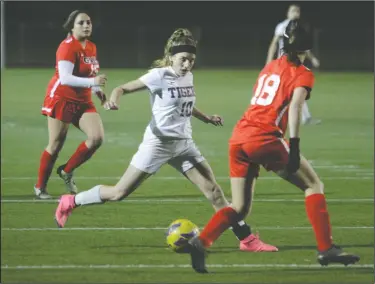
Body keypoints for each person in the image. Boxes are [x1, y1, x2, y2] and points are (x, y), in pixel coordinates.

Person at [54, 28, 277, 253]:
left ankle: (247, 240)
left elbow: (185, 103)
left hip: (184, 144)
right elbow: (122, 88)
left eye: (191, 60)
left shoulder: (188, 75)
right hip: (157, 145)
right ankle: (71, 202)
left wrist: (206, 117)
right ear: (171, 57)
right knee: (118, 193)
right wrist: (113, 100)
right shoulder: (158, 76)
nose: (188, 64)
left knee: (215, 192)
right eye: (183, 59)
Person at [187, 20, 360, 273]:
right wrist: (295, 146)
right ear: (307, 48)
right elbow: (296, 108)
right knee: (314, 185)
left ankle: (200, 243)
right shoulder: (303, 73)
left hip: (239, 138)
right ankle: (326, 249)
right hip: (264, 139)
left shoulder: (270, 66)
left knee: (239, 207)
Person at [34, 10, 108, 199]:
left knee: (96, 138)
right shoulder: (67, 47)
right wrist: (93, 83)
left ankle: (66, 171)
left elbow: (89, 75)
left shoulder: (91, 46)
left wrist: (98, 92)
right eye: (81, 22)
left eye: (89, 22)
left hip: (83, 100)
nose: (86, 25)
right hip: (62, 99)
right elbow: (66, 78)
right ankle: (40, 187)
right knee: (56, 145)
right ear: (72, 26)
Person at [266, 4, 321, 125]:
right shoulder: (282, 26)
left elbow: (303, 47)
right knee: (292, 89)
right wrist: (269, 62)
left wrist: (313, 59)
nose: (295, 13)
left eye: (297, 11)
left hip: (293, 64)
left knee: (295, 89)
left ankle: (305, 118)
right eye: (293, 11)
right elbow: (274, 44)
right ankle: (273, 115)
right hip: (284, 63)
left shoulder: (299, 28)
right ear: (288, 13)